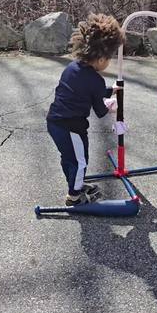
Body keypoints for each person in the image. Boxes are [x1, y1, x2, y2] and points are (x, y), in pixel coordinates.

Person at [46, 13, 125, 206]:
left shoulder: (73, 67)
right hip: (72, 127)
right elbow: (100, 109)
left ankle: (76, 185)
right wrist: (112, 106)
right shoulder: (95, 80)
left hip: (55, 122)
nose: (109, 62)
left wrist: (109, 90)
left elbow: (85, 90)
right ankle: (74, 197)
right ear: (99, 58)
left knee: (70, 158)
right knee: (80, 161)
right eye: (109, 58)